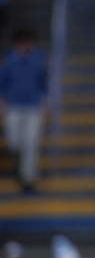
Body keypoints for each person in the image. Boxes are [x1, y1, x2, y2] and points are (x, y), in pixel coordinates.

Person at [0, 29, 47, 193]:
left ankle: (28, 178)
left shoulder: (38, 59)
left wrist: (44, 100)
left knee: (31, 144)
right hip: (13, 106)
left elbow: (44, 81)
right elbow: (2, 82)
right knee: (14, 143)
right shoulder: (9, 60)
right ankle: (20, 166)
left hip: (33, 106)